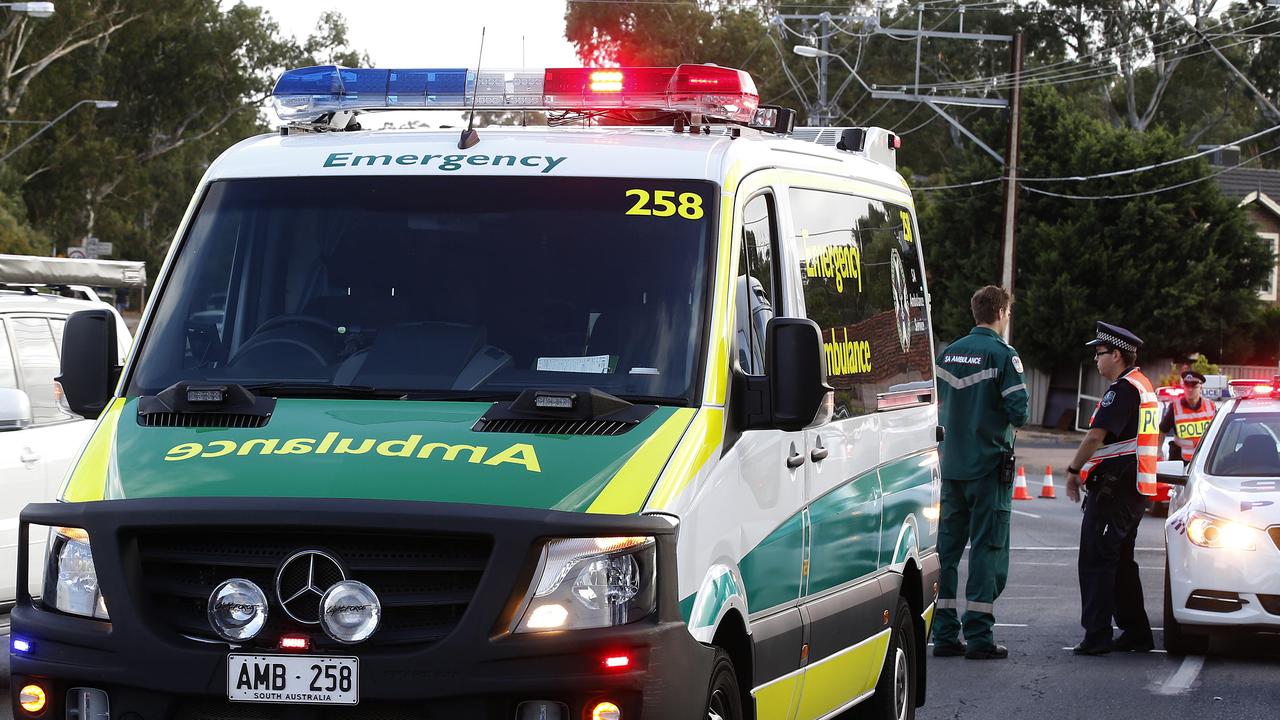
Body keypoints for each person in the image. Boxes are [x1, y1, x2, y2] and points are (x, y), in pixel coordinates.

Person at [931, 285, 1029, 660]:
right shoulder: (1003, 355)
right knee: (988, 550)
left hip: (950, 468)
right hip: (988, 470)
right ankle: (979, 636)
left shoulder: (948, 354)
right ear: (1002, 312)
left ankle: (943, 635)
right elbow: (1019, 411)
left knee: (946, 553)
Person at [1065, 322, 1159, 655]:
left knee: (1096, 560)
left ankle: (1097, 635)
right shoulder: (1143, 384)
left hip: (1116, 490)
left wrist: (1074, 470)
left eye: (1099, 353)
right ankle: (1136, 632)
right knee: (1120, 562)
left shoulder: (1123, 390)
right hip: (1132, 488)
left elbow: (1095, 436)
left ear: (1116, 354)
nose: (1096, 359)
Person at [1161, 370, 1216, 463]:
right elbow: (1162, 431)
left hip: (1205, 461)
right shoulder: (1175, 407)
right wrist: (1159, 454)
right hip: (1180, 461)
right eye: (1187, 386)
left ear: (1200, 388)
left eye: (1194, 386)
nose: (1190, 389)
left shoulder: (1211, 406)